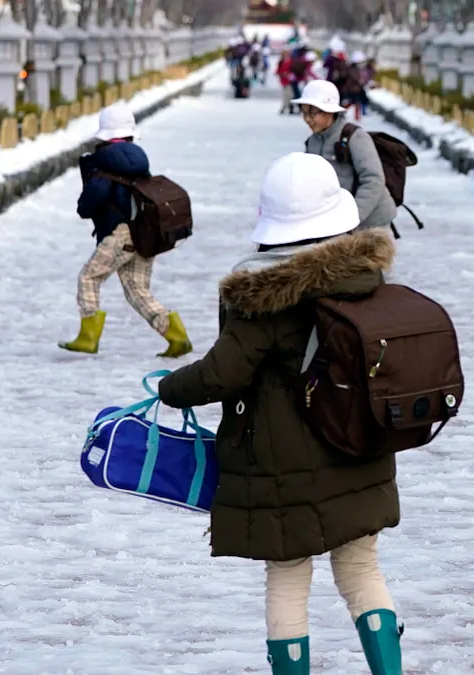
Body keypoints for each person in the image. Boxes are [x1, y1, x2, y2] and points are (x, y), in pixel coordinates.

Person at [157, 152, 403, 675]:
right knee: (360, 566)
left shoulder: (261, 299)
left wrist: (170, 388)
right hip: (358, 448)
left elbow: (221, 374)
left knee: (289, 575)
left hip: (282, 462)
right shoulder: (364, 278)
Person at [60, 102, 193, 358]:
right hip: (144, 232)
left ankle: (88, 336)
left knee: (89, 278)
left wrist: (83, 206)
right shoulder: (138, 161)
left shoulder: (103, 163)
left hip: (120, 234)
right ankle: (177, 336)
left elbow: (92, 200)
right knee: (137, 290)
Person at [292, 79, 396, 232]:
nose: (307, 119)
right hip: (339, 225)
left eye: (313, 113)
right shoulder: (312, 142)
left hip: (372, 224)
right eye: (304, 112)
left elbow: (373, 180)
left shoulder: (355, 137)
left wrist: (353, 218)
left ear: (330, 111)